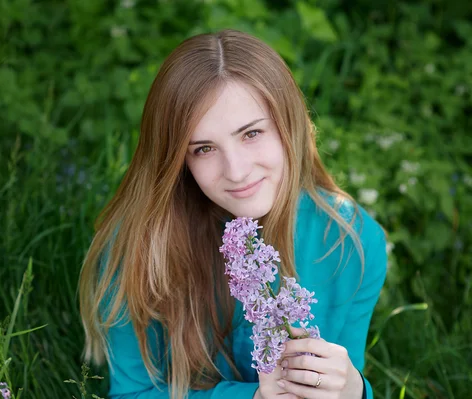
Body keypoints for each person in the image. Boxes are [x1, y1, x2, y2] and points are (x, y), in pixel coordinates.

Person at [78, 29, 387, 399]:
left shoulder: (352, 241)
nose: (237, 172)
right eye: (204, 148)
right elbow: (132, 394)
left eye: (251, 134)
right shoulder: (140, 246)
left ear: (287, 123)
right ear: (176, 160)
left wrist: (355, 389)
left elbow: (339, 376)